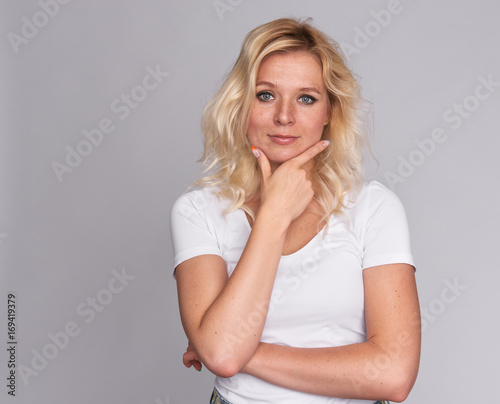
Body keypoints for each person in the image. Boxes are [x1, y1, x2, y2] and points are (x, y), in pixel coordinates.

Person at [170, 17, 420, 404]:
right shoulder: (197, 211)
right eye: (266, 94)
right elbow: (221, 353)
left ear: (329, 114)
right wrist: (273, 215)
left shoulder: (374, 208)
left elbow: (393, 376)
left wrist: (232, 351)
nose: (284, 116)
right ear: (240, 105)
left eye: (306, 98)